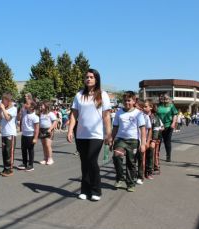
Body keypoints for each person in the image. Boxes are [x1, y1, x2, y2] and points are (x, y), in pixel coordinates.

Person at [67, 68, 111, 201]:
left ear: (96, 79)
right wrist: (70, 130)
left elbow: (106, 115)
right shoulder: (79, 95)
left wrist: (108, 133)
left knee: (92, 161)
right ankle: (84, 190)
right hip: (81, 135)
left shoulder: (103, 95)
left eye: (91, 77)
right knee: (84, 162)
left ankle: (96, 190)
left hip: (96, 135)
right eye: (87, 77)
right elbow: (74, 114)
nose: (89, 79)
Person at [111, 91, 146, 193]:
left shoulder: (138, 113)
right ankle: (119, 178)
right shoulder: (119, 112)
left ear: (134, 101)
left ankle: (130, 184)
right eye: (125, 100)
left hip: (133, 141)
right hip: (120, 140)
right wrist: (111, 139)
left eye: (129, 100)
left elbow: (143, 130)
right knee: (116, 156)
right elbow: (115, 128)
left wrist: (143, 144)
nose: (127, 102)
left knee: (131, 163)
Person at [0, 93, 17, 177]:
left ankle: (9, 169)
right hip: (4, 133)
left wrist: (3, 109)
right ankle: (5, 167)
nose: (2, 102)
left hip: (10, 133)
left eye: (3, 100)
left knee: (9, 151)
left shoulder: (13, 109)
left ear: (8, 101)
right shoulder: (3, 109)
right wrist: (0, 110)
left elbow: (8, 118)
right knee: (4, 152)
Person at [17, 101, 39, 171]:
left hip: (30, 135)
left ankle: (31, 165)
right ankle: (24, 163)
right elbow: (18, 118)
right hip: (24, 134)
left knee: (30, 150)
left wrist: (35, 138)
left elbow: (36, 128)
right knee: (23, 149)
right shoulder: (24, 112)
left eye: (27, 104)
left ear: (32, 107)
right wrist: (20, 110)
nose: (25, 104)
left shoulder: (35, 117)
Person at [157, 93, 178, 162]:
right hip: (159, 127)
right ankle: (156, 155)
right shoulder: (158, 106)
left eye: (166, 99)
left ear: (169, 99)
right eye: (163, 98)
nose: (165, 100)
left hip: (168, 126)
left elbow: (175, 115)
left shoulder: (171, 106)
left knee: (167, 141)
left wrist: (173, 123)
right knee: (158, 141)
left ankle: (168, 156)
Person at [39, 101, 57, 165]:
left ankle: (50, 158)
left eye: (42, 105)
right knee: (43, 145)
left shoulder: (50, 114)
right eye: (40, 105)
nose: (41, 106)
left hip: (49, 130)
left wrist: (50, 129)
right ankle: (45, 158)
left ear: (46, 106)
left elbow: (55, 122)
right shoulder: (41, 113)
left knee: (48, 145)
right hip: (42, 130)